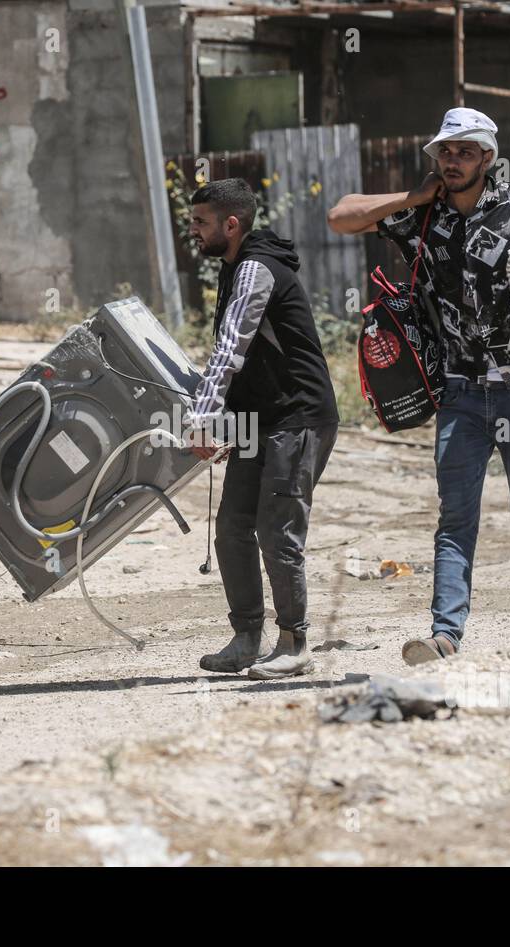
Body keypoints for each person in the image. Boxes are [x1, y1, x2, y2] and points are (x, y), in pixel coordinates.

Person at [328, 107, 510, 664]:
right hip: (459, 390)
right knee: (455, 518)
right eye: (445, 152)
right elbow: (340, 216)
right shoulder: (422, 216)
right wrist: (411, 198)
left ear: (487, 157)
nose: (451, 161)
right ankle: (444, 635)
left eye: (464, 152)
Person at [186, 178, 340, 680]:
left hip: (297, 417)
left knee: (277, 531)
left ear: (231, 224)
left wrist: (204, 420)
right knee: (232, 528)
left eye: (201, 222)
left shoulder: (254, 269)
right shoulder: (234, 267)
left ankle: (294, 643)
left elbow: (230, 348)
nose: (194, 231)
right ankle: (246, 638)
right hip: (258, 420)